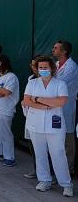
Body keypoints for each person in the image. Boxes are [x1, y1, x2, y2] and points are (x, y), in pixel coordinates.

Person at [22, 56, 73, 197]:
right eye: (40, 68)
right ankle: (44, 180)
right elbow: (26, 101)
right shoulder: (32, 83)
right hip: (35, 124)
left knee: (58, 154)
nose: (43, 70)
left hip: (54, 125)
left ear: (52, 68)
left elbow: (61, 102)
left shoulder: (60, 84)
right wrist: (45, 105)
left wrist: (37, 99)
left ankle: (66, 184)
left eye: (45, 67)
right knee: (40, 154)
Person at [52, 40, 78, 175]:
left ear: (64, 51)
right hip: (55, 108)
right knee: (57, 138)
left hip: (66, 108)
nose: (53, 50)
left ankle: (68, 169)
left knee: (68, 138)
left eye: (56, 48)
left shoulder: (72, 67)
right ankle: (58, 169)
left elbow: (59, 85)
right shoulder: (55, 65)